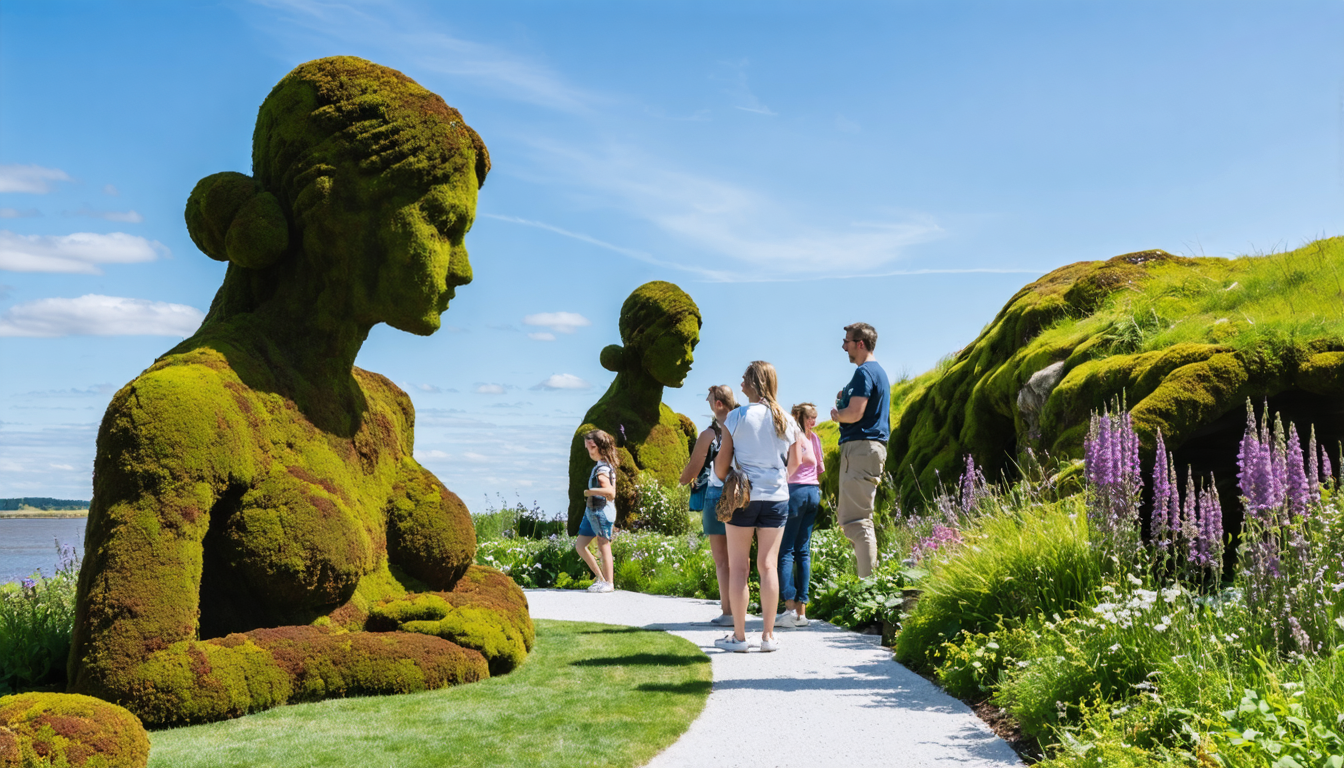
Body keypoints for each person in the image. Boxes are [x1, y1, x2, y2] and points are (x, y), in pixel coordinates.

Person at [712, 361, 801, 653]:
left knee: (739, 567)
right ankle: (767, 636)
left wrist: (733, 477)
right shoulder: (788, 419)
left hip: (743, 498)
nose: (740, 385)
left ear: (754, 383)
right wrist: (775, 481)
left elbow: (722, 466)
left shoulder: (736, 417)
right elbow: (796, 463)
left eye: (744, 380)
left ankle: (739, 638)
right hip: (776, 498)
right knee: (768, 566)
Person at [830, 322, 891, 578]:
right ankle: (869, 588)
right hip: (870, 449)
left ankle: (868, 592)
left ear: (861, 343)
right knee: (857, 519)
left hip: (860, 449)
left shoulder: (864, 373)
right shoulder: (878, 373)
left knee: (855, 522)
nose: (844, 346)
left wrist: (837, 414)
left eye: (847, 341)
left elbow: (855, 413)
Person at [679, 385, 739, 625]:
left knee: (722, 560)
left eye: (710, 402)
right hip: (742, 494)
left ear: (718, 404)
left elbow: (694, 468)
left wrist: (681, 480)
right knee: (741, 559)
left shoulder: (710, 434)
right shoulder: (743, 426)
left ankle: (728, 612)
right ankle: (741, 610)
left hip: (717, 494)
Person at [776, 403, 823, 628]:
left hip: (795, 491)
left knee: (785, 550)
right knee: (803, 551)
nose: (813, 421)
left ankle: (788, 608)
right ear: (807, 418)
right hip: (813, 492)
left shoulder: (792, 436)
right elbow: (819, 468)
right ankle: (802, 613)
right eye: (812, 417)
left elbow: (788, 464)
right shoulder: (815, 440)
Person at [577, 429, 618, 593]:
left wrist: (590, 492)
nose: (589, 450)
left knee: (603, 545)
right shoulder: (603, 466)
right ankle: (600, 579)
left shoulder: (602, 469)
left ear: (601, 447)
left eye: (592, 447)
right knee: (580, 546)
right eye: (587, 447)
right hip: (591, 512)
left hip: (601, 511)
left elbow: (610, 493)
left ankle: (609, 582)